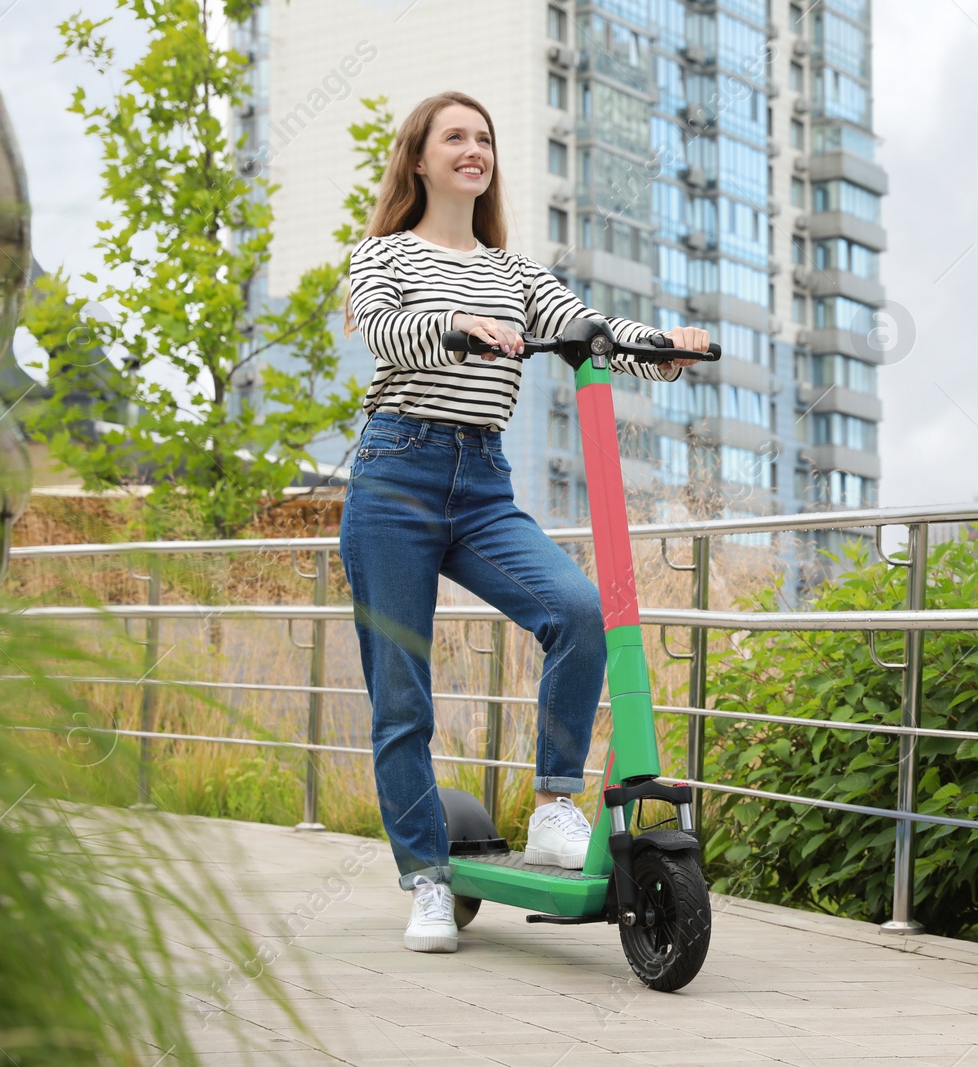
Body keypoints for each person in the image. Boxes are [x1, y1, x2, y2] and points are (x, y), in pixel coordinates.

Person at [339, 91, 711, 953]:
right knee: (403, 697)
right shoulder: (383, 254)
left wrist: (666, 343)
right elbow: (388, 330)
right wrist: (453, 324)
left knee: (578, 612)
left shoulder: (513, 271)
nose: (474, 149)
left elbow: (584, 328)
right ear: (421, 159)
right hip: (395, 474)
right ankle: (427, 880)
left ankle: (552, 804)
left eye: (484, 138)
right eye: (455, 137)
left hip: (481, 482)